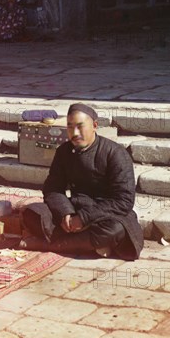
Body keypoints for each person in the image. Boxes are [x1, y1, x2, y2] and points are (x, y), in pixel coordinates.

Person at [19, 103, 144, 260]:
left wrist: (84, 218)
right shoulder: (64, 151)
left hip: (105, 214)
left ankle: (47, 244)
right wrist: (66, 213)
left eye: (80, 126)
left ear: (94, 126)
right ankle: (90, 245)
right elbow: (52, 189)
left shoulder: (115, 153)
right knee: (32, 213)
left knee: (115, 230)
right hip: (74, 209)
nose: (74, 133)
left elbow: (123, 201)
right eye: (70, 127)